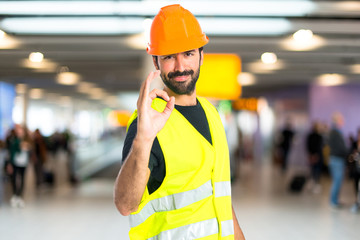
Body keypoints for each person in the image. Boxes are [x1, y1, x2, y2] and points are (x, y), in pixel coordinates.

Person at [114, 4, 245, 239]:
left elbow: (221, 199)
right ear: (156, 62)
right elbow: (125, 204)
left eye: (188, 53)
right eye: (168, 57)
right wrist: (143, 140)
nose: (180, 66)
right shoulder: (148, 120)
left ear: (201, 56)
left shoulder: (211, 113)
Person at [328, 112, 348, 208]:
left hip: (337, 159)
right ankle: (333, 202)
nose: (343, 121)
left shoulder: (336, 132)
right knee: (337, 180)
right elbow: (340, 148)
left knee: (338, 181)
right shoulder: (335, 133)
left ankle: (335, 200)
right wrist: (348, 152)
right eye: (341, 119)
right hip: (336, 159)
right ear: (337, 121)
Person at [306, 121, 324, 193]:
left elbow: (308, 146)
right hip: (317, 155)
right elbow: (319, 146)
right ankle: (315, 184)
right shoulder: (319, 136)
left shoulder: (310, 136)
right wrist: (315, 155)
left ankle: (312, 183)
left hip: (312, 154)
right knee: (317, 170)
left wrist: (310, 154)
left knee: (312, 169)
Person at [348, 129, 360, 213]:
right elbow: (350, 155)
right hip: (356, 169)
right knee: (356, 187)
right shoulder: (355, 143)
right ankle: (357, 202)